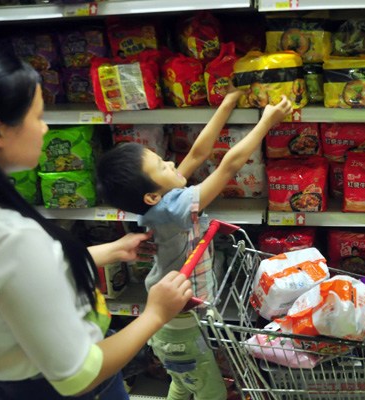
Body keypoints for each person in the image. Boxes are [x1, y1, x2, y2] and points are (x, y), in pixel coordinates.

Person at [0, 46, 194, 399]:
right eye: (37, 117)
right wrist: (154, 315)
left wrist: (109, 251)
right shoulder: (14, 237)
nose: (44, 129)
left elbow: (19, 286)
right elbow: (77, 377)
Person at [97, 89, 292, 400]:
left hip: (173, 320)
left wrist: (226, 106)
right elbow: (229, 166)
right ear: (151, 195)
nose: (172, 163)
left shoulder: (159, 200)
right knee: (209, 391)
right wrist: (267, 122)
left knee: (183, 381)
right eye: (162, 165)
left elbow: (198, 154)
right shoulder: (174, 210)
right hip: (180, 327)